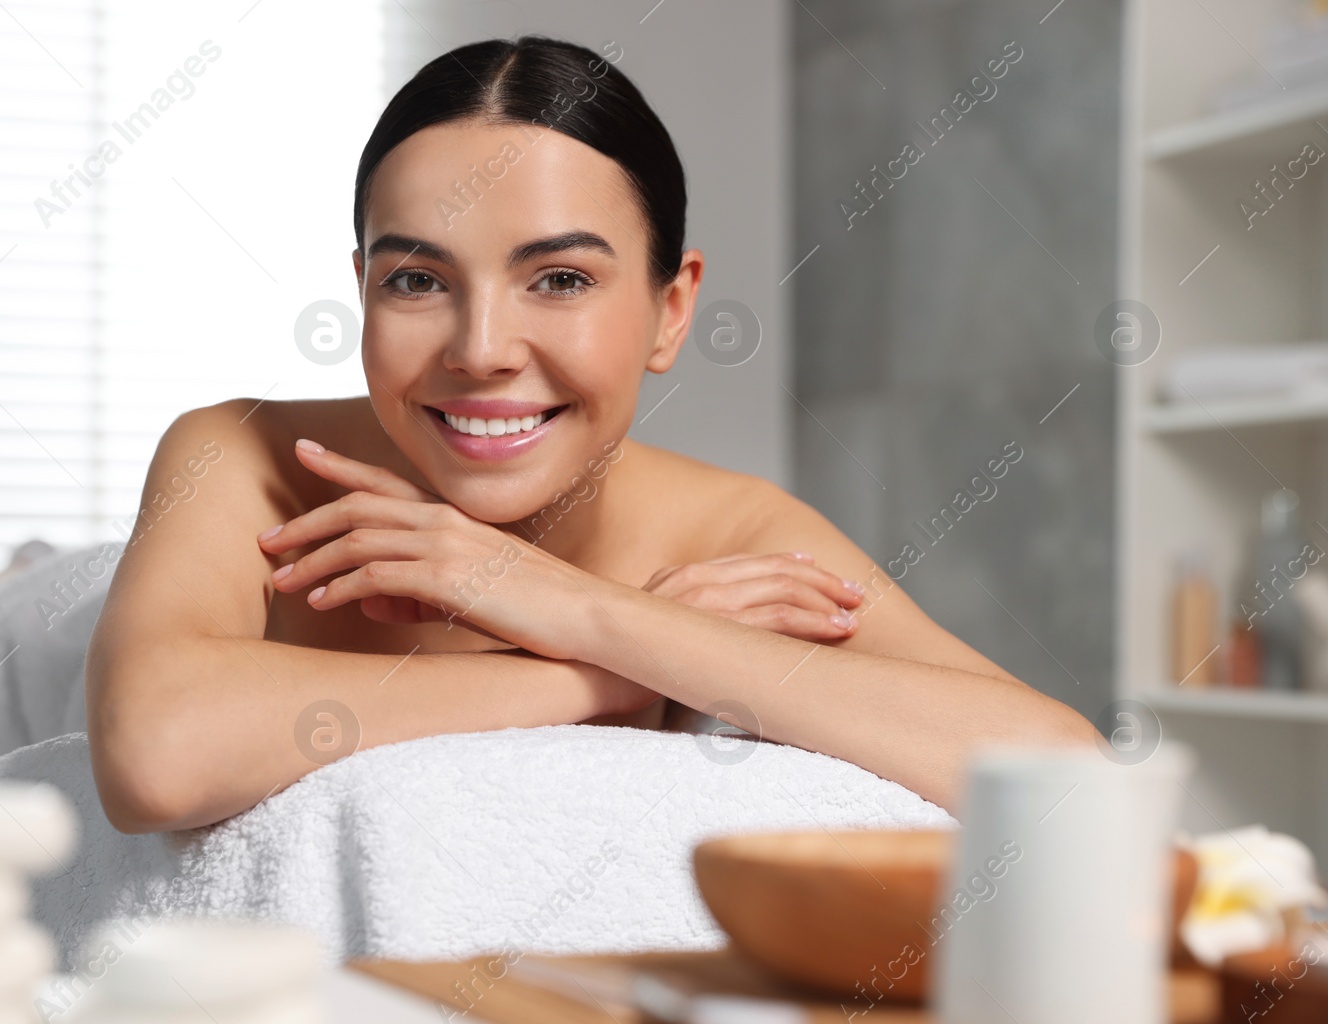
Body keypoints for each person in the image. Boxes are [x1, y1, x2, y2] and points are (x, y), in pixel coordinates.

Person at [86, 34, 1095, 834]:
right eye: (417, 279)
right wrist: (604, 676)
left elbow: (1060, 776)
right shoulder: (244, 459)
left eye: (559, 279)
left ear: (670, 308)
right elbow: (156, 754)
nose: (480, 349)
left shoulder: (736, 534)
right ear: (362, 292)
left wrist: (565, 603)